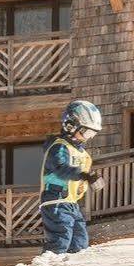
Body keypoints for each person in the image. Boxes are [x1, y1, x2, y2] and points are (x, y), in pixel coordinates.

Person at [40, 100, 105, 255]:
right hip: (56, 200)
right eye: (86, 132)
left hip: (71, 203)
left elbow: (78, 178)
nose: (87, 138)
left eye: (92, 134)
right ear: (71, 125)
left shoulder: (82, 154)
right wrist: (83, 175)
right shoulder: (59, 147)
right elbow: (61, 168)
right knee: (61, 238)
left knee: (80, 242)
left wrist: (90, 179)